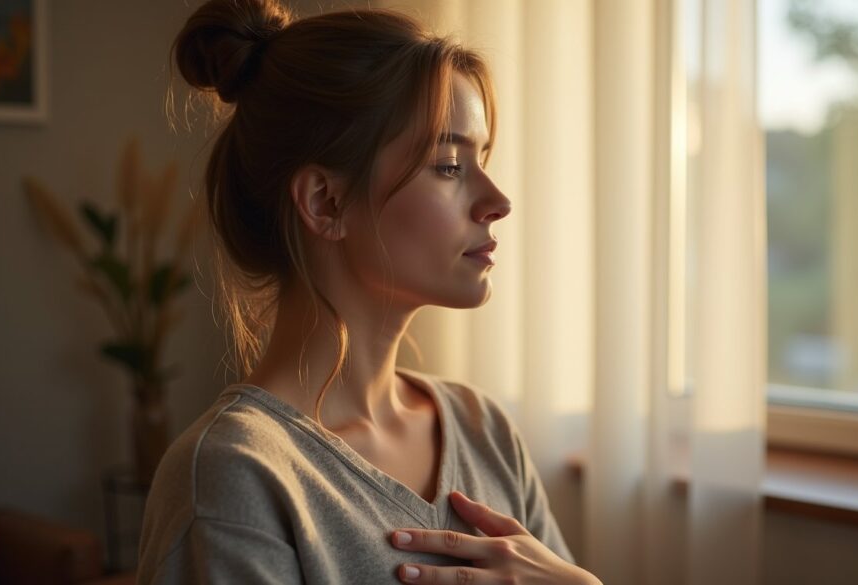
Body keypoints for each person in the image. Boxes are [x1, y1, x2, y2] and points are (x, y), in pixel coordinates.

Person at [137, 1, 602, 584]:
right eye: (449, 166)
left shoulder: (484, 430)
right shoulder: (232, 475)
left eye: (482, 159)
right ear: (325, 202)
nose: (498, 201)